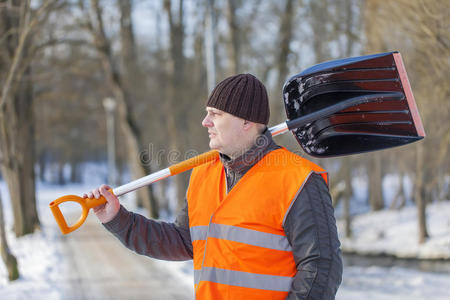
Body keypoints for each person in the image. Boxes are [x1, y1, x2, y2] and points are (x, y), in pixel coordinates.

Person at [84, 74, 343, 299]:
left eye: (216, 114)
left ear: (246, 123)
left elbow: (321, 267)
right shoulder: (203, 175)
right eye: (208, 113)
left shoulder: (297, 180)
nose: (205, 122)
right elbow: (183, 241)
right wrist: (119, 219)